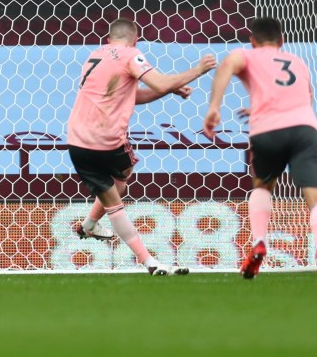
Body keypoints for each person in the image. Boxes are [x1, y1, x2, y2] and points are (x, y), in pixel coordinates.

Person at [67, 19, 216, 275]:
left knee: (116, 186)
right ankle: (150, 262)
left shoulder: (96, 55)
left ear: (109, 38)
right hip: (106, 141)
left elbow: (133, 95)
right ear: (135, 40)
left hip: (77, 140)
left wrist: (170, 90)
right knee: (119, 190)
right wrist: (198, 70)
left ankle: (90, 224)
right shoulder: (130, 55)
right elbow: (158, 83)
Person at [203, 17, 317, 282]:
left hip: (266, 131)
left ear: (252, 41)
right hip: (303, 129)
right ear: (282, 42)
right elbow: (306, 98)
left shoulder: (246, 55)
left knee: (262, 186)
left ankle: (260, 241)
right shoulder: (298, 62)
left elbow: (227, 65)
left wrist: (214, 107)